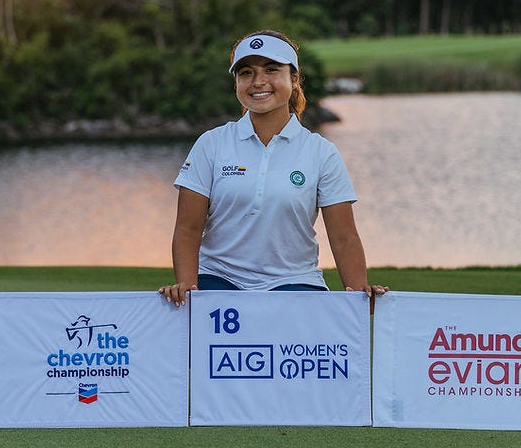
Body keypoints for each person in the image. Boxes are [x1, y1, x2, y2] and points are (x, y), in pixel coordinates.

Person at [158, 30, 388, 307]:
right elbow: (188, 229)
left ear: (293, 78)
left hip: (295, 281)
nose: (258, 82)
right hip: (218, 279)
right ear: (236, 83)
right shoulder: (212, 143)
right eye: (246, 73)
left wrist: (360, 295)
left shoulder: (320, 152)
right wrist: (187, 289)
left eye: (271, 70)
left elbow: (343, 238)